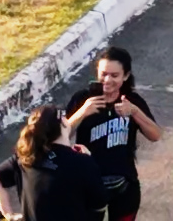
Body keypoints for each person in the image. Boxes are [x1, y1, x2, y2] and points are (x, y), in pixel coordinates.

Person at [62, 45, 161, 221]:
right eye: (103, 74)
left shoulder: (132, 101)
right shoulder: (82, 99)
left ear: (126, 76)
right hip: (89, 183)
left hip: (125, 183)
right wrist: (83, 112)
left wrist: (135, 112)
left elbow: (155, 135)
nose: (107, 80)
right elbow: (60, 136)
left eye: (114, 76)